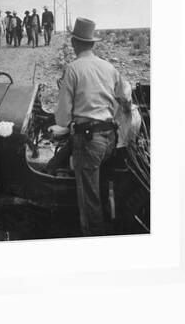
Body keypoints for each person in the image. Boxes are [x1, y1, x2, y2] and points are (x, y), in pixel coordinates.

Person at [48, 17, 131, 236]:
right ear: (93, 43)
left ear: (75, 43)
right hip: (110, 138)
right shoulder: (109, 67)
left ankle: (94, 237)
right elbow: (125, 100)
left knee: (88, 197)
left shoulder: (73, 69)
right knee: (96, 179)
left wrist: (66, 124)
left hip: (89, 141)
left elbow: (63, 118)